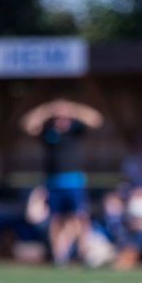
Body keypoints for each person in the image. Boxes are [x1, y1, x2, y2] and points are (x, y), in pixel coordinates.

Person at [22, 100, 103, 266]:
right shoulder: (49, 132)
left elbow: (96, 119)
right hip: (53, 183)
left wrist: (73, 109)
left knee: (80, 217)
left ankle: (83, 252)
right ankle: (59, 254)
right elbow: (28, 124)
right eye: (59, 116)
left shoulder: (75, 130)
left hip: (74, 183)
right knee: (56, 219)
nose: (62, 119)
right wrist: (48, 110)